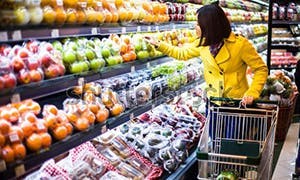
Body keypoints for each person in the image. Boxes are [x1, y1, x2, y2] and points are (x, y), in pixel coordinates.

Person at [145, 3, 268, 105]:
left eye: (198, 24)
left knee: (232, 134)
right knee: (214, 134)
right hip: (214, 99)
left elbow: (261, 69)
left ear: (209, 26)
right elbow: (181, 53)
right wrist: (158, 44)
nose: (195, 27)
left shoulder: (240, 44)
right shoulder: (203, 43)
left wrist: (252, 93)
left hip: (237, 102)